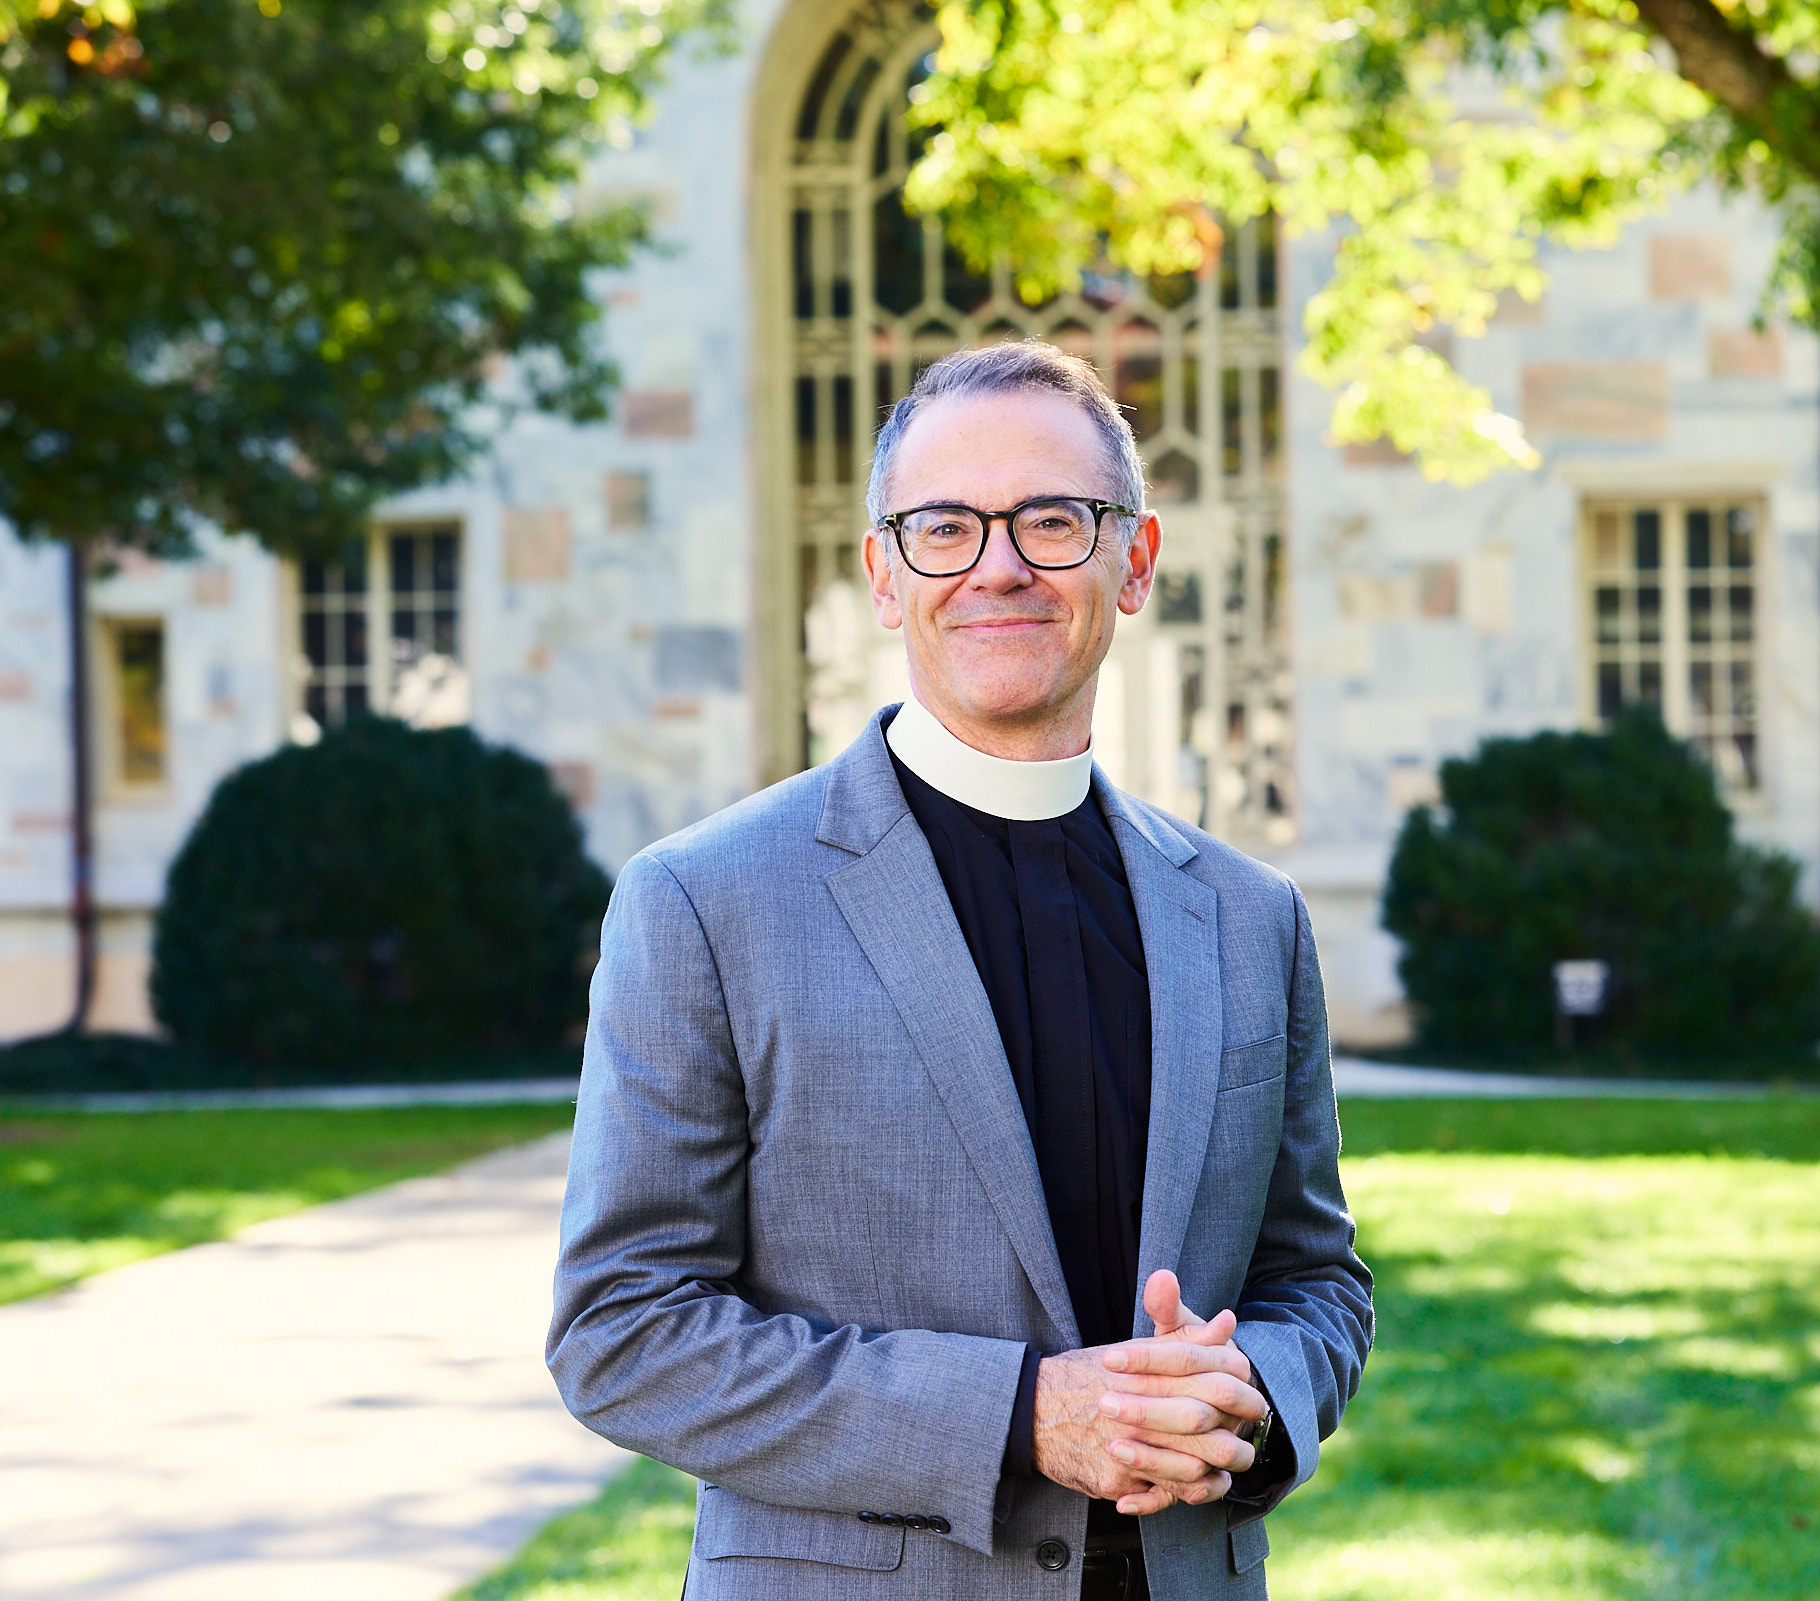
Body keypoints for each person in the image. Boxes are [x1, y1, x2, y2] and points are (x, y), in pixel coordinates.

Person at [547, 340, 1374, 1601]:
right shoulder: (704, 901)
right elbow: (623, 1328)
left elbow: (1314, 1278)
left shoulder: (1253, 917)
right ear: (885, 574)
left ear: (1134, 560)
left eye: (1054, 520)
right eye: (945, 526)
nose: (999, 564)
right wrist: (1022, 1417)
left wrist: (1251, 1396)